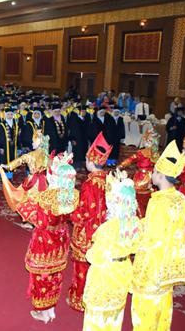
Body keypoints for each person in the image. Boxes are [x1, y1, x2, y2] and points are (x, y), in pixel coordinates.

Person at [131, 140, 185, 331]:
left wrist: (129, 235)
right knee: (163, 309)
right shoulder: (180, 198)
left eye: (154, 171)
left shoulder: (159, 203)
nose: (151, 174)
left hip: (153, 267)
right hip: (169, 265)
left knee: (145, 311)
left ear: (162, 176)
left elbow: (150, 237)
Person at [16, 152, 79, 323]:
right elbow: (73, 218)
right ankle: (51, 309)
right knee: (56, 275)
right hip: (61, 239)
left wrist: (26, 207)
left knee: (41, 276)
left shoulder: (46, 198)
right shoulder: (73, 195)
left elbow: (41, 222)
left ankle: (43, 312)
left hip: (45, 241)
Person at [82, 170, 140, 331]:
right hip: (123, 270)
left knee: (97, 316)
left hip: (105, 276)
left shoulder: (107, 229)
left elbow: (94, 256)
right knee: (116, 313)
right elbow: (136, 246)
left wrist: (89, 252)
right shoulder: (135, 223)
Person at [67, 132, 111, 312]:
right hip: (103, 230)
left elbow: (84, 212)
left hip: (87, 233)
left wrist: (71, 212)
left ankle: (81, 299)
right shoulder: (108, 179)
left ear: (91, 162)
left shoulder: (90, 184)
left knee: (82, 267)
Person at [0, 132, 49, 227]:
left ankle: (32, 222)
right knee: (41, 200)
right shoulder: (46, 154)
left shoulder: (31, 155)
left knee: (27, 200)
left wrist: (7, 166)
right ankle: (40, 220)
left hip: (33, 181)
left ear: (39, 142)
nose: (32, 143)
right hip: (44, 180)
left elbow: (20, 160)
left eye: (34, 141)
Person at [118, 128, 160, 217]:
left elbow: (131, 159)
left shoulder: (143, 153)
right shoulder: (155, 154)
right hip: (152, 177)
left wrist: (121, 165)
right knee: (149, 195)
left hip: (142, 177)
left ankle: (139, 213)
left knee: (138, 196)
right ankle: (147, 213)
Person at [67, 105, 89, 171]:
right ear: (79, 112)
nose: (84, 112)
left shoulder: (86, 119)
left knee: (83, 152)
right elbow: (72, 130)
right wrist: (72, 139)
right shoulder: (75, 119)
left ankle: (81, 166)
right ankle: (76, 166)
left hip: (84, 139)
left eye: (85, 111)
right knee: (76, 153)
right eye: (82, 111)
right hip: (76, 139)